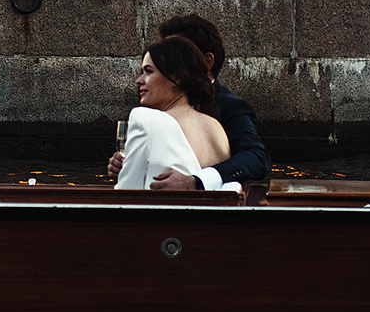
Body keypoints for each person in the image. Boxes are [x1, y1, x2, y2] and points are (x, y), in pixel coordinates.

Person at [106, 13, 267, 191]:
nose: (139, 81)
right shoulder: (215, 127)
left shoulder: (229, 107)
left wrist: (197, 181)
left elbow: (256, 158)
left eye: (180, 51)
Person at [112, 36, 235, 192]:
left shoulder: (146, 121)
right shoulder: (215, 127)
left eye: (148, 72)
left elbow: (127, 193)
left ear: (176, 78)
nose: (139, 80)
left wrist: (124, 173)